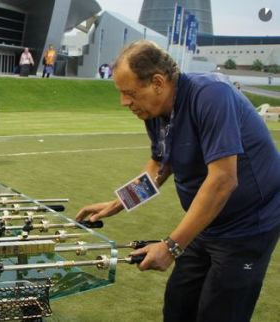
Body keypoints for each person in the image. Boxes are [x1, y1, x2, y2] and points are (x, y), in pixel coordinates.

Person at [76, 40, 280, 322]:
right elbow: (161, 165)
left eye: (129, 93)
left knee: (219, 313)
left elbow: (223, 180)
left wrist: (172, 246)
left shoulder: (211, 95)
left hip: (248, 227)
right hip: (206, 221)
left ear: (158, 82)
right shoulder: (155, 112)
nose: (124, 102)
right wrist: (118, 203)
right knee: (178, 305)